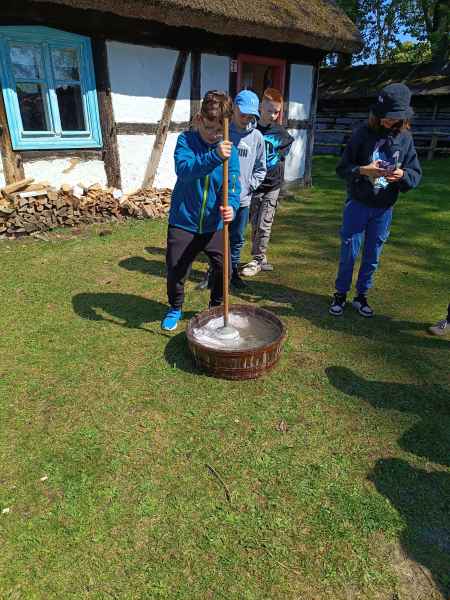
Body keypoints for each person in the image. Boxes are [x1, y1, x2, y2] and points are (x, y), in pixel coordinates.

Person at [329, 83, 422, 318]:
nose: (389, 121)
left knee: (372, 256)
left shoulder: (405, 139)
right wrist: (363, 170)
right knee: (349, 252)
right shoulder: (361, 134)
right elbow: (342, 168)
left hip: (383, 209)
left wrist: (402, 175)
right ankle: (340, 294)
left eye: (394, 117)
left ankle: (361, 296)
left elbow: (415, 173)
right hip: (358, 204)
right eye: (386, 116)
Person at [161, 90, 241, 331]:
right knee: (177, 268)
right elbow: (185, 170)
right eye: (208, 128)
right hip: (183, 221)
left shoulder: (230, 152)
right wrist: (214, 156)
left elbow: (233, 185)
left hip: (214, 224)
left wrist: (232, 206)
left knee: (224, 268)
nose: (214, 135)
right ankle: (175, 307)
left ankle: (215, 307)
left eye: (219, 131)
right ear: (199, 120)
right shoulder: (185, 141)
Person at [241, 88, 294, 276]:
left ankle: (256, 259)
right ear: (261, 107)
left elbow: (282, 154)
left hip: (273, 185)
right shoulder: (250, 131)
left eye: (277, 112)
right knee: (255, 222)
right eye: (270, 110)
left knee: (265, 222)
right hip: (255, 185)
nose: (273, 115)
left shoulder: (282, 134)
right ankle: (260, 256)